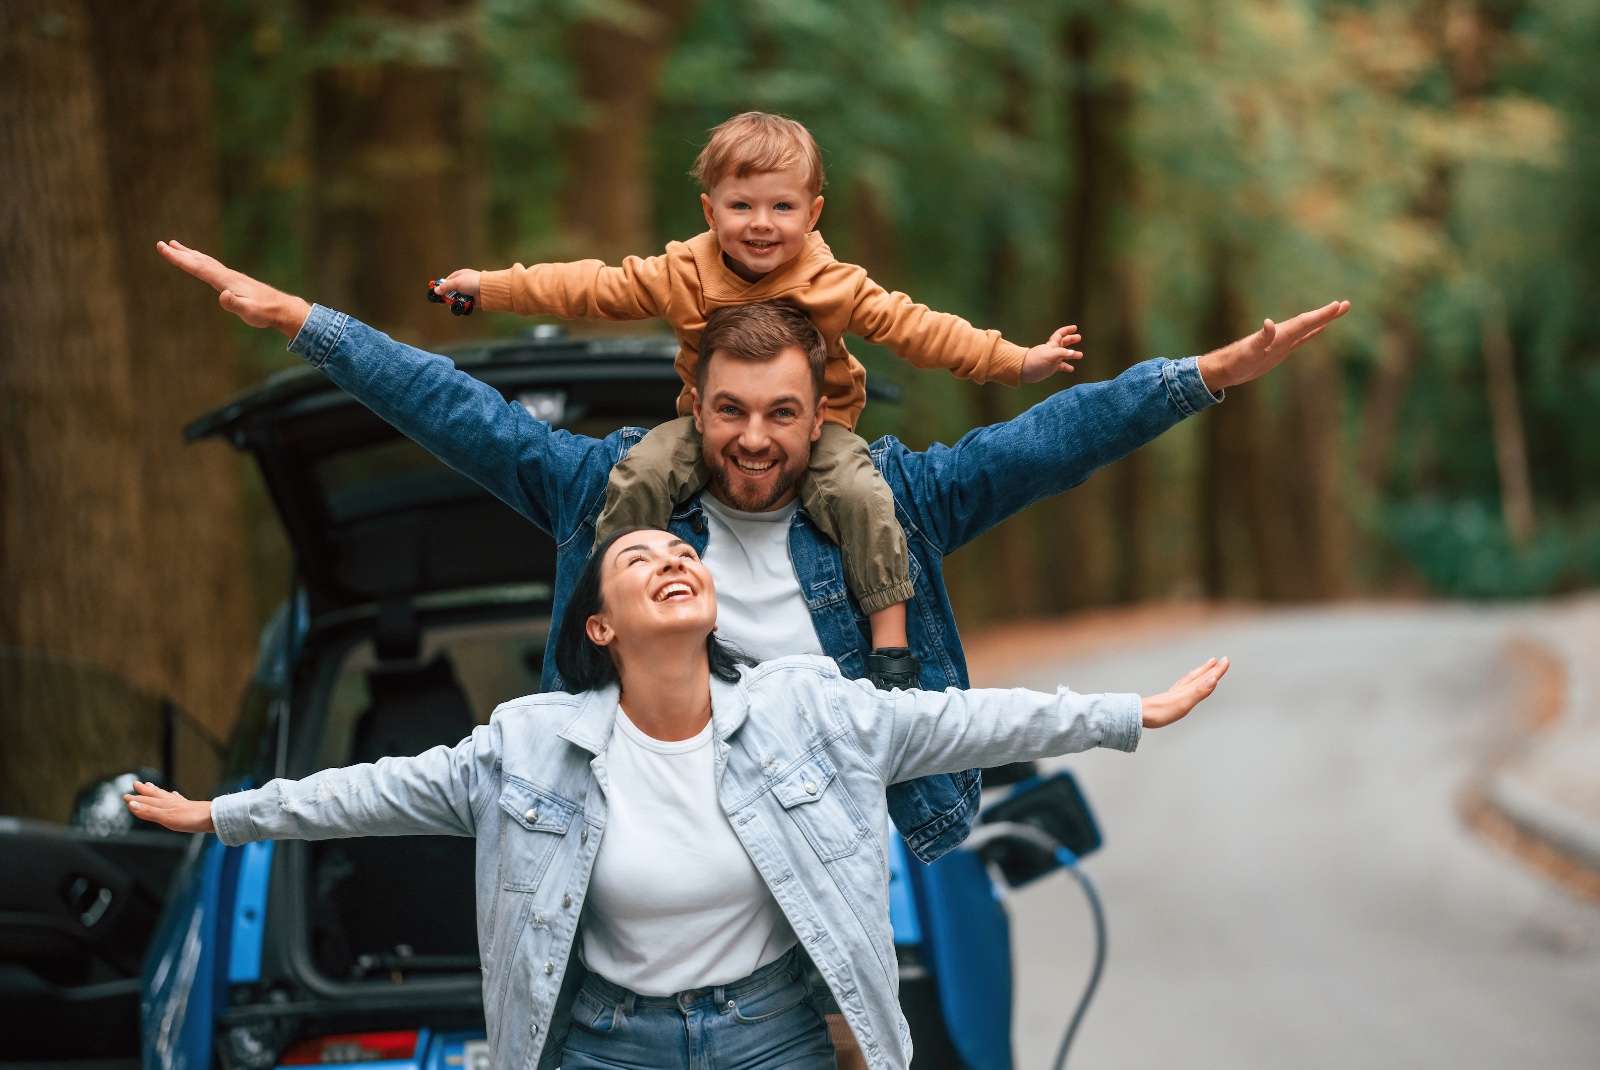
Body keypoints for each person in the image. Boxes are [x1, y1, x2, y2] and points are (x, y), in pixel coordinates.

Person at [154, 237, 1347, 873]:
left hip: (830, 856)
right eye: (730, 411)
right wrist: (299, 321)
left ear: (821, 410)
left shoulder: (896, 502)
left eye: (784, 414)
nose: (756, 439)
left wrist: (1200, 378)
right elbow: (450, 406)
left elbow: (1051, 439)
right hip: (649, 849)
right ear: (692, 399)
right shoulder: (609, 501)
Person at [124, 526, 1229, 1070]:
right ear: (599, 627)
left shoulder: (805, 707)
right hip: (606, 1044)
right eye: (640, 555)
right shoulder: (529, 744)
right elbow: (372, 792)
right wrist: (222, 814)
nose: (672, 557)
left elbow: (958, 719)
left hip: (771, 1034)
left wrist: (1126, 712)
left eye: (682, 551)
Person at [428, 112, 1087, 689]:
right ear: (711, 211)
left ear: (813, 213)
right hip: (705, 426)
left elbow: (922, 331)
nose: (762, 225)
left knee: (865, 497)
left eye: (782, 208)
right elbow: (588, 288)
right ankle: (609, 620)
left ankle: (891, 648)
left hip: (817, 429)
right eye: (742, 207)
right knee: (638, 473)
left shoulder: (835, 283)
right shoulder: (681, 272)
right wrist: (488, 287)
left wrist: (1016, 361)